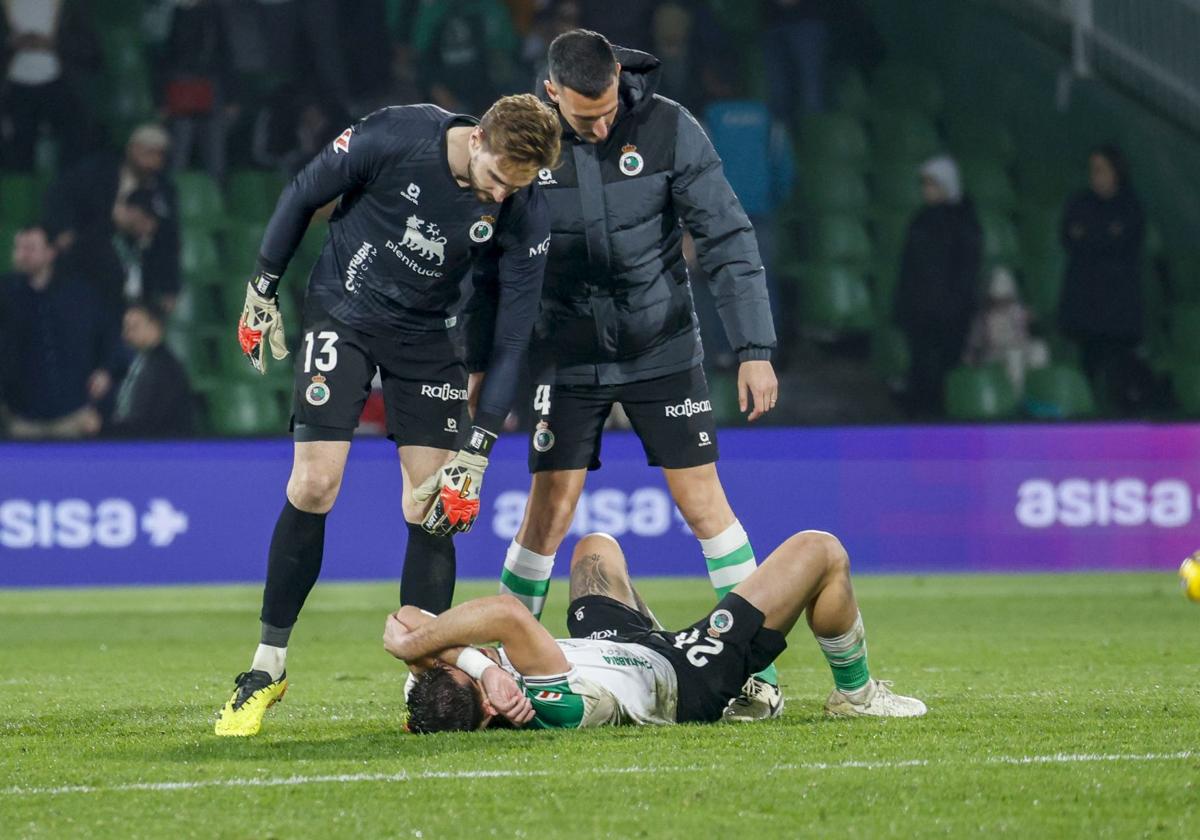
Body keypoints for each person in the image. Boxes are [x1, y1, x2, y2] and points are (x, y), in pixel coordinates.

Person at [214, 94, 561, 737]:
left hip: (428, 339)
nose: (499, 198)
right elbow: (302, 192)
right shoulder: (396, 135)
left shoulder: (526, 206)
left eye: (515, 188)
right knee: (314, 483)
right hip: (343, 312)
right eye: (494, 180)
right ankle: (267, 667)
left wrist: (477, 448)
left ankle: (422, 678)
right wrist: (261, 287)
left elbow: (514, 338)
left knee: (433, 503)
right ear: (479, 139)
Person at [468, 29, 782, 722]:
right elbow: (490, 270)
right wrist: (480, 370)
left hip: (660, 346)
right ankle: (502, 668)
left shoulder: (670, 127)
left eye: (610, 108)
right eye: (586, 118)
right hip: (566, 355)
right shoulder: (526, 143)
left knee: (704, 502)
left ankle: (755, 674)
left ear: (619, 80)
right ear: (552, 94)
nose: (603, 124)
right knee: (546, 514)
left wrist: (753, 345)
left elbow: (727, 235)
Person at [386, 529, 927, 732]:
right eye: (478, 679)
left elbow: (408, 619)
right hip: (683, 676)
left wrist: (466, 662)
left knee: (594, 549)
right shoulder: (551, 703)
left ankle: (659, 629)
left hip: (619, 648)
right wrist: (473, 663)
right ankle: (855, 696)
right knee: (821, 552)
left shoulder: (443, 698)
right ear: (490, 708)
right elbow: (507, 616)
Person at [43, 124, 180, 316]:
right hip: (89, 264)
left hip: (138, 271)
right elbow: (60, 197)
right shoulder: (98, 172)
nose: (153, 161)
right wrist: (64, 229)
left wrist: (169, 286)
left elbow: (169, 240)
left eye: (159, 155)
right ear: (132, 148)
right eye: (148, 152)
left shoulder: (163, 189)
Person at [0, 225, 118, 439]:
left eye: (30, 248)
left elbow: (108, 334)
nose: (21, 255)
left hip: (72, 416)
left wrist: (105, 370)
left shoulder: (79, 295)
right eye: (18, 248)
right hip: (21, 419)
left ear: (50, 253)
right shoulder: (6, 294)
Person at [1057, 145, 1146, 414]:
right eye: (1092, 170)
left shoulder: (1130, 206)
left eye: (1101, 170)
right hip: (1086, 311)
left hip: (1118, 313)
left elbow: (1119, 242)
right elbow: (1069, 236)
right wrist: (1103, 235)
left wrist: (1090, 236)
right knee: (1089, 373)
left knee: (1118, 380)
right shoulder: (1080, 201)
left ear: (1116, 172)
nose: (1095, 176)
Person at [894, 155, 982, 418]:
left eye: (932, 184)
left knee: (945, 377)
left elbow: (967, 271)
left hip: (951, 315)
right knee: (920, 373)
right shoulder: (920, 219)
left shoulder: (965, 222)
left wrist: (954, 307)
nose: (926, 190)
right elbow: (909, 268)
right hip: (920, 312)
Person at [105, 302, 195, 438]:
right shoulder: (139, 362)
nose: (126, 335)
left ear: (154, 327)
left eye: (133, 327)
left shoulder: (166, 369)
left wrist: (103, 428)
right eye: (126, 328)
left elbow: (149, 424)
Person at [963, 266, 1048, 394]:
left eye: (1006, 299)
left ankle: (1038, 390)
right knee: (1014, 355)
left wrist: (1027, 317)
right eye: (998, 300)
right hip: (993, 355)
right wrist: (969, 362)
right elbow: (973, 344)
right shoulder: (983, 317)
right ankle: (1017, 396)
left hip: (1019, 347)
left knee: (1039, 349)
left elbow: (1033, 317)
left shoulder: (1017, 310)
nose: (1002, 304)